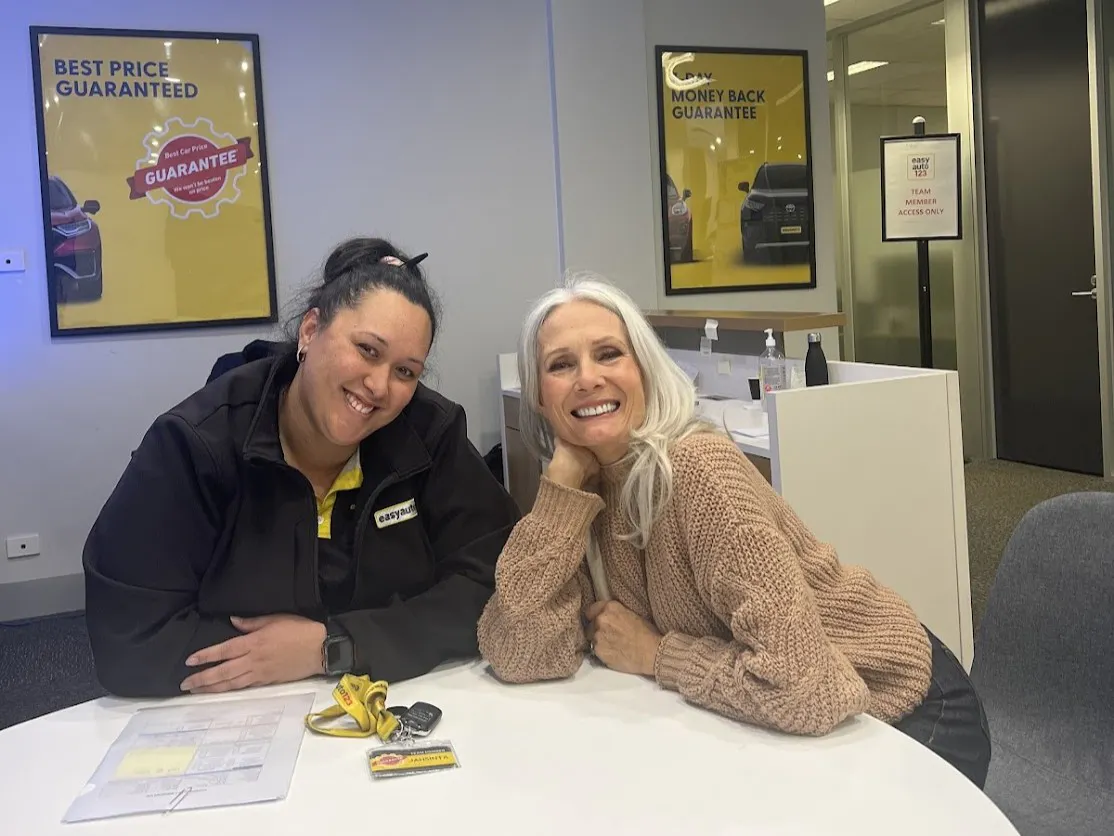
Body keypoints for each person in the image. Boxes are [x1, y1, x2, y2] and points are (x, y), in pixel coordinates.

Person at [477, 276, 991, 788]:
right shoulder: (586, 494)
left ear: (646, 372)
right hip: (773, 719)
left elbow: (804, 689)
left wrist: (658, 654)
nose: (587, 378)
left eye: (609, 354)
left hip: (899, 706)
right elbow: (520, 652)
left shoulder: (699, 472)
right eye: (561, 364)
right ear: (541, 397)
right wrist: (558, 498)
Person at [84, 237, 520, 698]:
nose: (379, 386)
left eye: (406, 372)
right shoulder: (195, 445)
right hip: (234, 714)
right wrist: (279, 656)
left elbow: (499, 584)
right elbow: (128, 640)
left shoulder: (429, 436)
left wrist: (331, 647)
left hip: (391, 699)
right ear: (310, 331)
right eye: (368, 350)